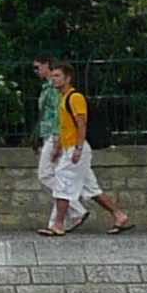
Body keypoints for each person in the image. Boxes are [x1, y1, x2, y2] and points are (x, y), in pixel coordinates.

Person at [30, 58, 131, 235]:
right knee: (91, 188)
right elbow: (64, 126)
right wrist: (58, 148)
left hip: (76, 148)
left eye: (57, 76)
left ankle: (59, 224)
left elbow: (81, 124)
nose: (53, 79)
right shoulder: (63, 99)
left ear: (67, 78)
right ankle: (118, 214)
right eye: (52, 76)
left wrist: (77, 148)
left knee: (62, 182)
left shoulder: (75, 98)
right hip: (68, 147)